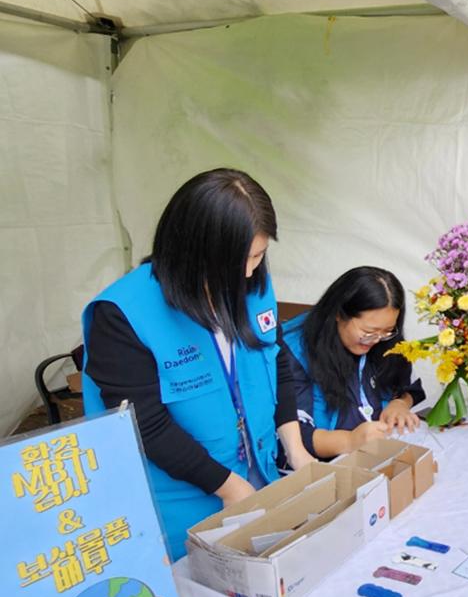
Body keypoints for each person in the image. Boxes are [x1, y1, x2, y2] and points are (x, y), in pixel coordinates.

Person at [82, 169, 314, 560]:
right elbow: (146, 426)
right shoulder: (123, 313)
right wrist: (229, 488)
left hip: (259, 485)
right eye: (238, 260)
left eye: (258, 256)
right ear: (191, 251)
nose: (248, 272)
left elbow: (275, 361)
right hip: (179, 511)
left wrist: (296, 449)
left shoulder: (252, 284)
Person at [279, 266, 424, 460]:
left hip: (377, 455)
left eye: (387, 330)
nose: (376, 339)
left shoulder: (386, 340)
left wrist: (400, 403)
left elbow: (410, 387)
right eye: (368, 331)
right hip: (323, 466)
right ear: (339, 313)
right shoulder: (294, 350)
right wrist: (349, 441)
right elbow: (292, 437)